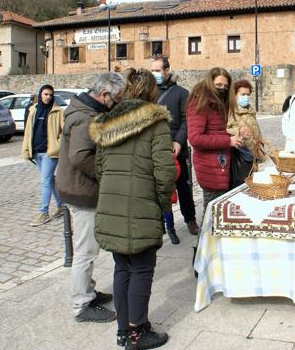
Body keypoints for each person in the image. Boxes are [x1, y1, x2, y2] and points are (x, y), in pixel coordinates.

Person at [90, 68, 176, 350]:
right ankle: (138, 332)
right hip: (142, 204)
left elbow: (99, 168)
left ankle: (124, 330)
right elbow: (165, 173)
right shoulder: (156, 122)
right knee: (141, 269)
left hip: (112, 203)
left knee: (122, 268)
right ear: (153, 92)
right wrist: (162, 205)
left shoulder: (106, 122)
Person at [56, 73, 124, 323]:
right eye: (116, 98)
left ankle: (88, 291)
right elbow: (82, 157)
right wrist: (107, 175)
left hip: (80, 188)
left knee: (88, 247)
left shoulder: (85, 110)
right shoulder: (86, 118)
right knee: (86, 250)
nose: (118, 102)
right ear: (104, 95)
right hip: (82, 190)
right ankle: (81, 303)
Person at [151, 56, 199, 237]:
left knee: (184, 187)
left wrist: (179, 140)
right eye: (153, 70)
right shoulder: (150, 93)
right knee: (159, 187)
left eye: (157, 70)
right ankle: (160, 222)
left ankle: (190, 219)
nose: (155, 74)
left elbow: (188, 120)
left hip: (178, 149)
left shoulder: (182, 93)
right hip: (157, 149)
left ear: (167, 70)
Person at [187, 67, 242, 215]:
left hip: (220, 165)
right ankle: (203, 239)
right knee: (211, 216)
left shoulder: (217, 103)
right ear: (210, 83)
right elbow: (195, 138)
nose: (222, 89)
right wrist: (228, 141)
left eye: (225, 86)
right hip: (210, 168)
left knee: (219, 214)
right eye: (218, 85)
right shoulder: (200, 103)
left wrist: (233, 135)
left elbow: (214, 130)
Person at [21, 85, 65, 227]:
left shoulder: (58, 112)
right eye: (46, 94)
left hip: (49, 153)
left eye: (50, 95)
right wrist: (26, 151)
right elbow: (28, 132)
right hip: (37, 152)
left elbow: (65, 132)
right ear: (40, 95)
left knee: (45, 181)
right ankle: (62, 206)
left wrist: (58, 145)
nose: (48, 97)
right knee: (50, 180)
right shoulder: (33, 110)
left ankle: (43, 213)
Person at [227, 79, 265, 186]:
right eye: (243, 94)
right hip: (240, 156)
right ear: (235, 95)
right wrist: (238, 131)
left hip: (253, 154)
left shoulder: (250, 110)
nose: (246, 97)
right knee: (243, 184)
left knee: (254, 183)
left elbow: (255, 127)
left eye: (248, 94)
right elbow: (223, 129)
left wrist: (260, 141)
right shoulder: (230, 110)